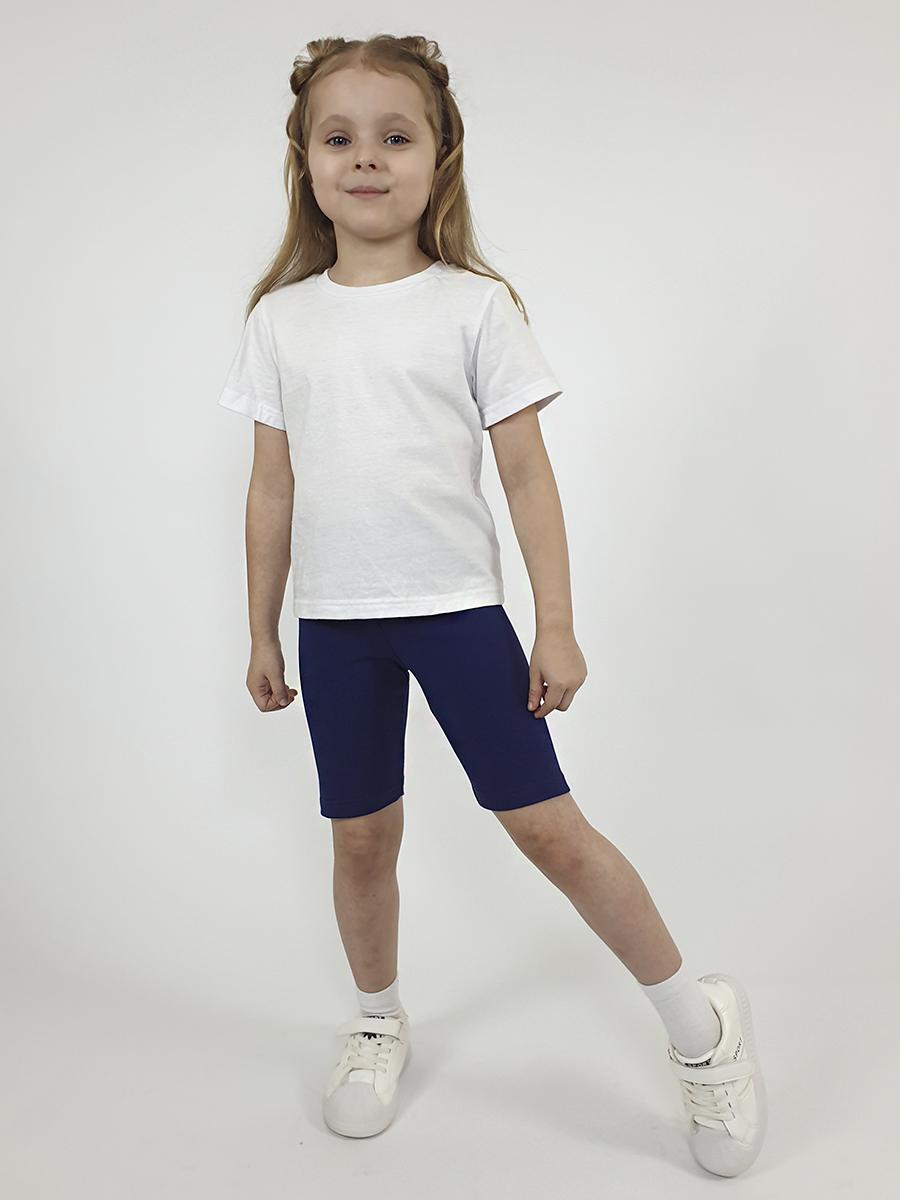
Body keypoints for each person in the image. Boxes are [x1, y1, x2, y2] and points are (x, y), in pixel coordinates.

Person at [217, 33, 767, 1176]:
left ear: (440, 156)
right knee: (361, 839)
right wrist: (261, 627)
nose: (367, 158)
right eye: (339, 138)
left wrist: (553, 621)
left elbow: (525, 474)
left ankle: (701, 1028)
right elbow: (271, 488)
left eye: (395, 136)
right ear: (305, 160)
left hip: (460, 615)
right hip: (337, 628)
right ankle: (378, 1020)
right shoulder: (281, 320)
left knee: (548, 831)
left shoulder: (474, 308)